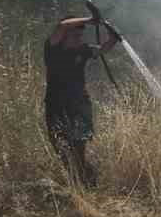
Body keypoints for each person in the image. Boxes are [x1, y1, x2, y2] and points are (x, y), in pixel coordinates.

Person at [43, 14, 121, 186]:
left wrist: (113, 37)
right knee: (60, 146)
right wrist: (90, 20)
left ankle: (86, 183)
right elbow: (62, 25)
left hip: (79, 105)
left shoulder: (83, 50)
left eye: (81, 35)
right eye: (75, 35)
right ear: (64, 36)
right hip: (56, 104)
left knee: (79, 147)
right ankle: (80, 182)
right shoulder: (53, 48)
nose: (80, 38)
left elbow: (102, 49)